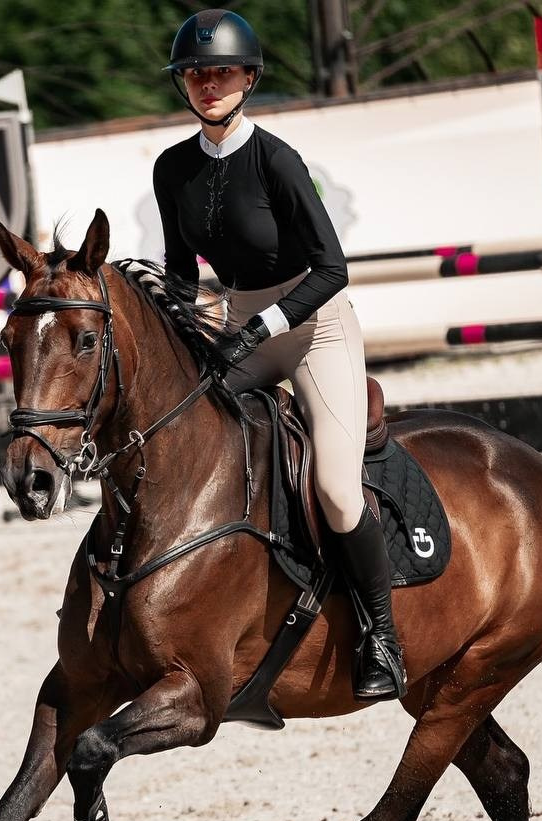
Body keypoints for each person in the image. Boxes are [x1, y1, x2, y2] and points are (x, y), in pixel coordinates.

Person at [152, 9, 406, 701]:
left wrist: (259, 326)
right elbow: (181, 272)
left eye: (221, 72)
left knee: (336, 487)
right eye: (195, 75)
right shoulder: (172, 169)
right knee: (182, 433)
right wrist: (179, 327)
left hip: (314, 325)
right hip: (239, 322)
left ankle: (381, 636)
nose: (208, 85)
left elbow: (333, 268)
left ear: (249, 78)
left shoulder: (277, 161)